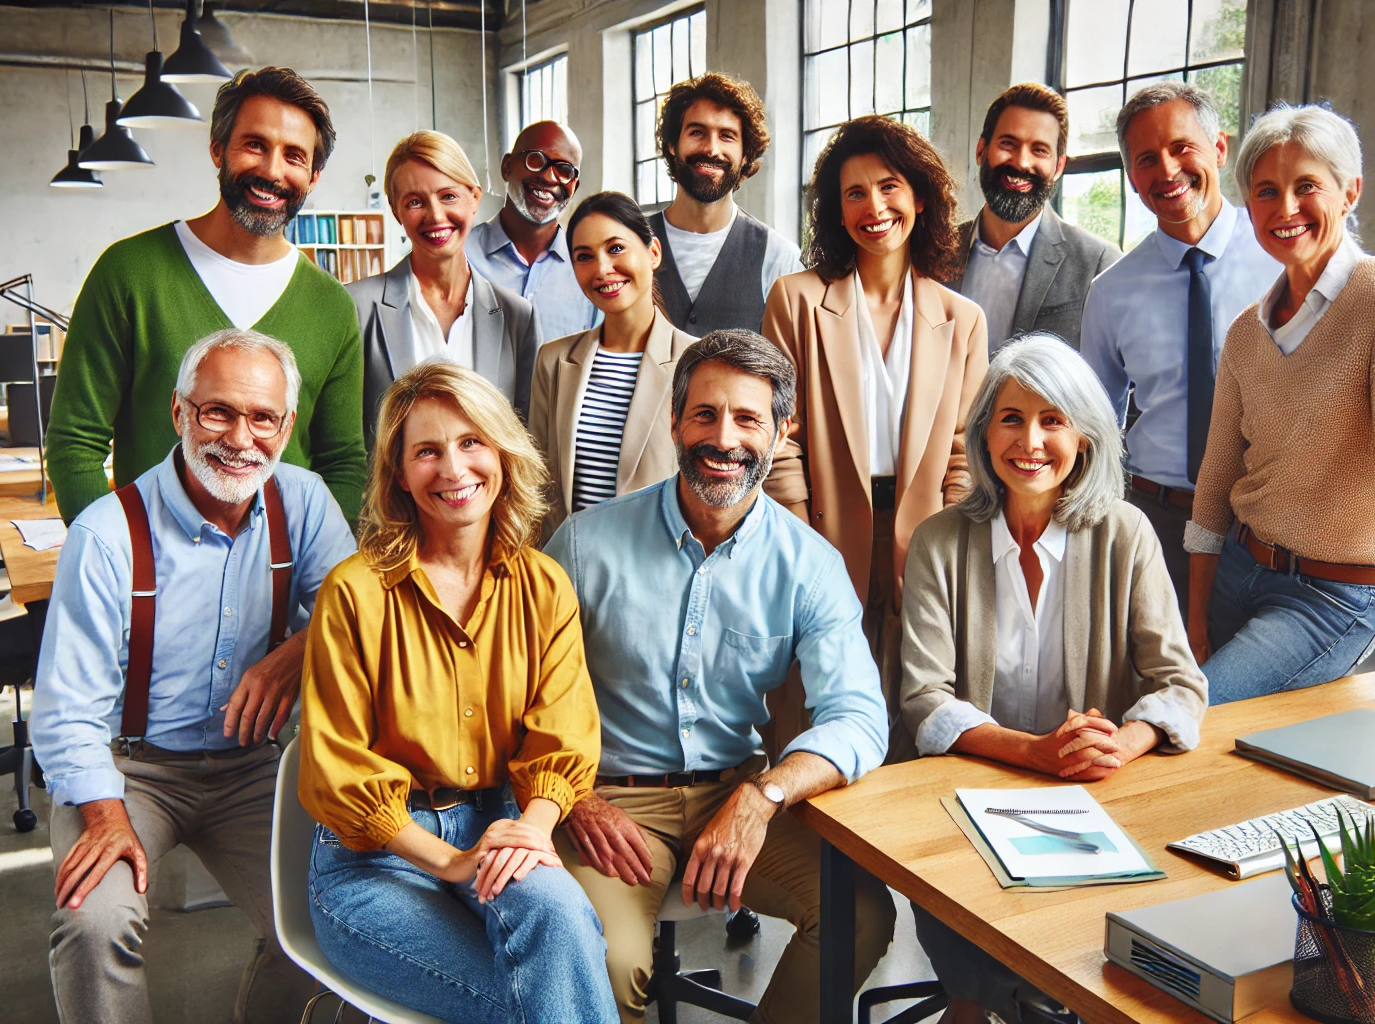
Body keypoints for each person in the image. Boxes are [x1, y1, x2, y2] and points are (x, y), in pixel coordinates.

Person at [542, 330, 896, 1024]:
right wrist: (574, 799)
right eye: (705, 414)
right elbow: (512, 693)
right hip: (609, 802)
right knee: (607, 962)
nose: (723, 438)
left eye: (747, 419)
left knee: (857, 918)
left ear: (781, 431)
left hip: (737, 791)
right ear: (675, 421)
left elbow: (858, 717)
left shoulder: (809, 566)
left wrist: (762, 797)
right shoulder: (585, 544)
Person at [32, 328, 358, 1024]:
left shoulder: (301, 501)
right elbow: (66, 709)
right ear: (179, 414)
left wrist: (296, 652)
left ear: (286, 426)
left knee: (337, 920)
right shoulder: (107, 534)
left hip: (252, 769)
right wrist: (102, 813)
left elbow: (354, 603)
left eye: (262, 417)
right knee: (93, 924)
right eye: (218, 412)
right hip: (128, 772)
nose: (240, 438)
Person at [299, 360, 618, 1022]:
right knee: (541, 1003)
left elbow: (563, 733)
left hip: (503, 823)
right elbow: (339, 769)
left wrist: (530, 833)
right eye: (427, 451)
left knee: (561, 928)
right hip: (374, 862)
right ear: (398, 474)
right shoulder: (353, 593)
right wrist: (449, 861)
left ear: (502, 451)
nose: (453, 469)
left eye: (471, 442)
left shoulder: (543, 585)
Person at [900, 335, 1206, 1024]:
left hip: (1092, 800)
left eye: (1052, 419)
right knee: (990, 971)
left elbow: (1179, 683)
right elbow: (923, 698)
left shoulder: (1125, 534)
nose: (1030, 440)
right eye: (1011, 418)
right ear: (984, 433)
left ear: (1086, 437)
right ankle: (981, 1004)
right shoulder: (940, 540)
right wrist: (1030, 753)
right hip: (965, 793)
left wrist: (1119, 743)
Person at [1185, 104, 1375, 723]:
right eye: (1266, 191)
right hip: (1238, 566)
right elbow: (1217, 477)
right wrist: (1191, 620)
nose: (1286, 208)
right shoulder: (1247, 330)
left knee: (1190, 718)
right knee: (1155, 694)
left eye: (1306, 187)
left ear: (1349, 192)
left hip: (1331, 595)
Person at [762, 114, 989, 750]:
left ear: (919, 197)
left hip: (927, 531)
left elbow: (961, 452)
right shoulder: (797, 300)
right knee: (818, 694)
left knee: (916, 695)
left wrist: (949, 536)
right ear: (837, 212)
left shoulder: (962, 318)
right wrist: (801, 533)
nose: (874, 207)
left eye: (888, 186)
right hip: (823, 524)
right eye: (853, 193)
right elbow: (782, 433)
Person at [48, 67, 365, 523]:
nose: (272, 170)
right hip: (153, 574)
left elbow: (342, 461)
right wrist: (117, 557)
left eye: (294, 156)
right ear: (218, 150)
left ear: (313, 177)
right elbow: (74, 442)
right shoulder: (128, 273)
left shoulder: (331, 305)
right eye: (255, 145)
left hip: (284, 577)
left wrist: (320, 569)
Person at [1078, 82, 1282, 615]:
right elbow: (1094, 428)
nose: (1166, 170)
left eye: (1181, 148)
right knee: (1147, 683)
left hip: (1265, 519)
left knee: (1244, 688)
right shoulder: (1112, 291)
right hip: (1157, 517)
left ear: (1220, 148)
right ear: (1132, 177)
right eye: (1146, 159)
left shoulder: (1284, 261)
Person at [350, 130, 542, 444]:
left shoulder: (517, 317)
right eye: (415, 202)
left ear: (474, 198)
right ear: (396, 211)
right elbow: (347, 444)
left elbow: (528, 441)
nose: (436, 215)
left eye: (448, 196)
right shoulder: (356, 308)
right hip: (389, 494)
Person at [526, 191, 696, 534]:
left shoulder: (697, 362)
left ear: (653, 253)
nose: (602, 269)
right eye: (584, 256)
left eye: (616, 248)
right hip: (568, 571)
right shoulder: (554, 360)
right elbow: (538, 486)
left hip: (658, 569)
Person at [944, 83, 1119, 352]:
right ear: (981, 150)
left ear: (1058, 166)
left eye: (1039, 150)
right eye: (1008, 144)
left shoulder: (1099, 263)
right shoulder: (936, 250)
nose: (1022, 162)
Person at [647, 72, 805, 334]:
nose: (711, 149)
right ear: (673, 144)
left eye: (727, 136)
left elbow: (792, 364)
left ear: (745, 155)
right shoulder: (627, 243)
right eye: (697, 132)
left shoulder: (778, 257)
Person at [468, 120, 600, 343]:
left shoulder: (590, 269)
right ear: (506, 166)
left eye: (564, 170)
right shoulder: (461, 255)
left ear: (574, 186)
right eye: (536, 160)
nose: (549, 178)